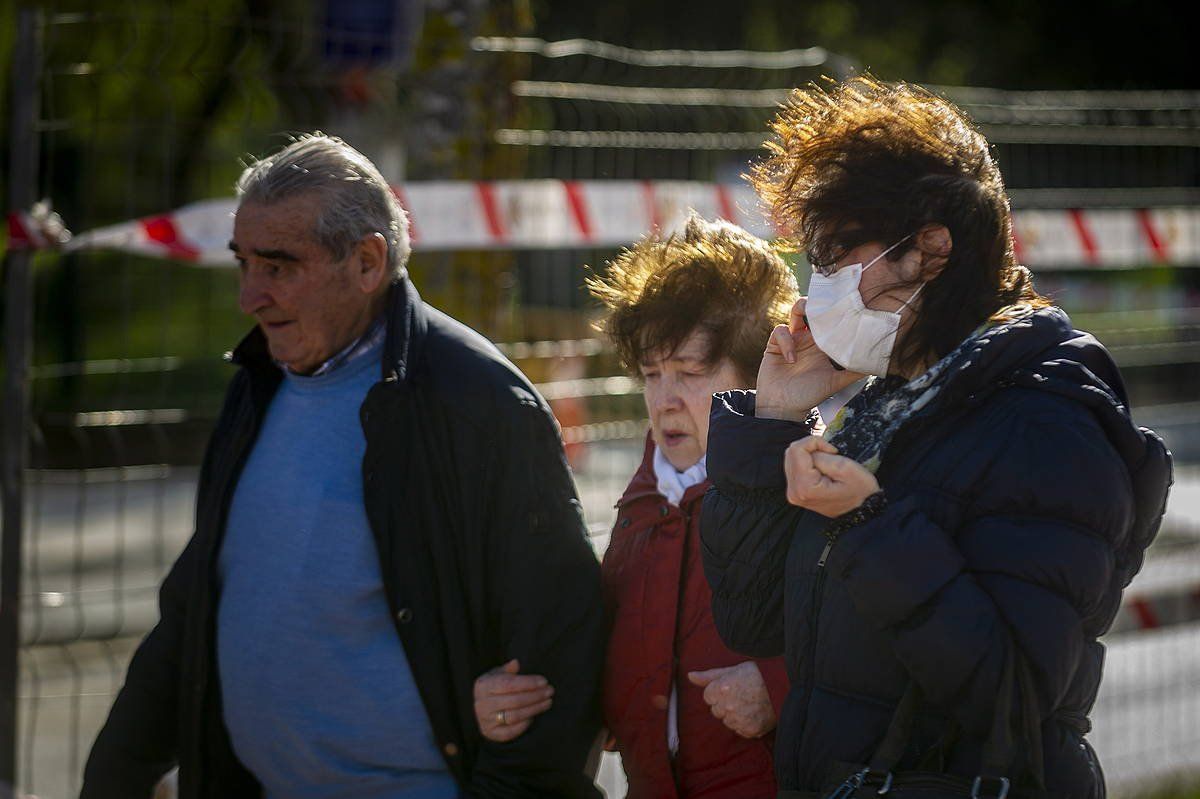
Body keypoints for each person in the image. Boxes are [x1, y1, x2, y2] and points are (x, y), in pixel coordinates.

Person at [80, 133, 606, 799]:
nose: (250, 296)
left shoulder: (477, 405)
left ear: (366, 261)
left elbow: (559, 648)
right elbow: (195, 607)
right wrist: (113, 778)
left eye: (278, 267)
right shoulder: (257, 379)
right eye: (243, 263)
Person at [699, 77, 1173, 799]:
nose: (815, 285)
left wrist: (868, 523)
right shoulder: (897, 399)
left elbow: (1013, 702)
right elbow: (753, 621)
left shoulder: (1049, 418)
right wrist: (773, 421)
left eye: (834, 258)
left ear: (930, 250)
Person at [472, 214, 796, 799]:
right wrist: (502, 684)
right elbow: (597, 641)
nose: (665, 399)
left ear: (758, 372)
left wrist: (779, 686)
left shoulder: (805, 483)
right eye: (651, 374)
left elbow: (876, 642)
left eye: (690, 373)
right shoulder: (643, 500)